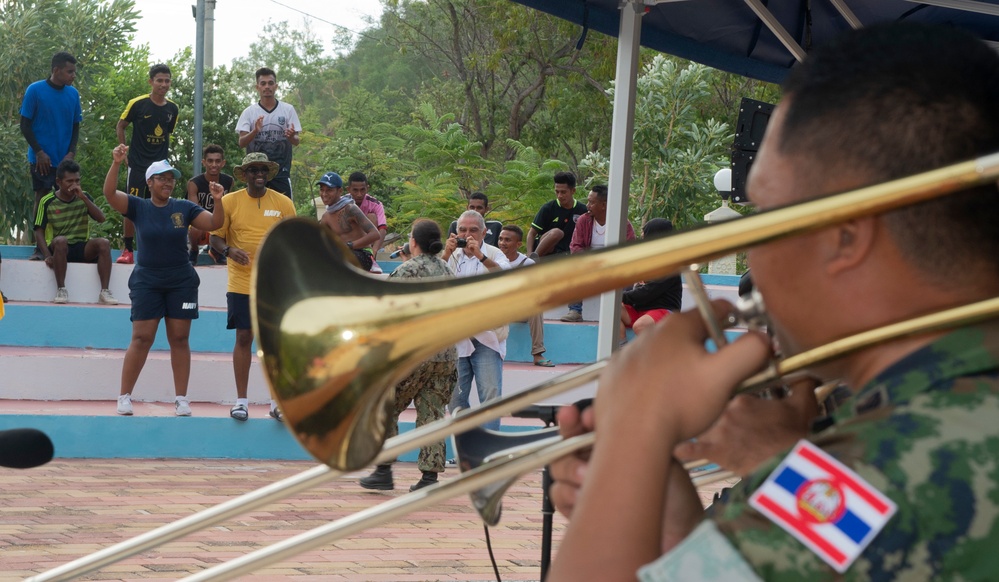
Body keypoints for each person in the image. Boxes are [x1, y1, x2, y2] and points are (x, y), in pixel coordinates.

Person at [547, 22, 999, 581]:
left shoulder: (880, 465)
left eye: (766, 215)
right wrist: (670, 528)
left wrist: (636, 429)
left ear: (843, 236)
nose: (752, 253)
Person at [103, 145, 224, 417]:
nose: (168, 182)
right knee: (142, 337)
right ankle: (124, 396)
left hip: (181, 281)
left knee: (179, 338)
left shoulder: (184, 207)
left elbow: (215, 223)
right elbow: (109, 194)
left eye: (171, 178)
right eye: (162, 178)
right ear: (150, 182)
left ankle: (181, 399)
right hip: (147, 280)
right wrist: (117, 163)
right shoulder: (138, 206)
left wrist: (218, 199)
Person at [359, 219, 458, 492]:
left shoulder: (408, 270)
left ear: (413, 242)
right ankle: (429, 478)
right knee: (433, 414)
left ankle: (383, 468)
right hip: (445, 355)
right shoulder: (447, 269)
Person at [209, 153, 297, 422]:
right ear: (244, 174)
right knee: (244, 338)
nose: (258, 174)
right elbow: (214, 239)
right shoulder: (229, 201)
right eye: (253, 170)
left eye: (263, 169)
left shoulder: (283, 203)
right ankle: (242, 402)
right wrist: (229, 250)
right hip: (241, 283)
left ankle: (276, 403)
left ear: (268, 173)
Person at [443, 210, 511, 430]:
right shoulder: (449, 256)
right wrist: (444, 255)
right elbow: (431, 281)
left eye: (473, 230)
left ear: (484, 232)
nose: (467, 234)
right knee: (455, 399)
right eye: (462, 230)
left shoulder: (494, 253)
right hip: (456, 337)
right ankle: (466, 450)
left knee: (490, 396)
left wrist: (480, 255)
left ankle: (488, 452)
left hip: (487, 337)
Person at [20, 51, 82, 261]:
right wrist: (39, 152)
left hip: (64, 159)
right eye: (70, 71)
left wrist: (71, 152)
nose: (73, 75)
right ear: (56, 70)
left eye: (74, 71)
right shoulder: (35, 90)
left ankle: (66, 248)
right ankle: (39, 249)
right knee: (43, 199)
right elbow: (25, 124)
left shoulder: (73, 94)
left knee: (68, 200)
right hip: (41, 159)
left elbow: (75, 126)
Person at [116, 64, 180, 265]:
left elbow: (167, 133)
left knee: (160, 204)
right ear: (151, 81)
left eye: (167, 80)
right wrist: (123, 148)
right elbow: (121, 125)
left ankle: (158, 248)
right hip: (137, 163)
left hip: (160, 166)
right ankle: (128, 249)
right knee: (131, 205)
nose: (163, 84)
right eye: (159, 80)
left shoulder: (173, 108)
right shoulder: (138, 104)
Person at [32, 159, 117, 305]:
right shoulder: (47, 201)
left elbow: (101, 218)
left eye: (77, 181)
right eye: (69, 181)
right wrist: (47, 255)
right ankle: (61, 289)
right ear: (58, 182)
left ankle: (105, 292)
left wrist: (83, 197)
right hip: (60, 249)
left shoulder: (84, 197)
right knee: (60, 240)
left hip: (81, 247)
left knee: (104, 243)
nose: (74, 185)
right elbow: (38, 230)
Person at [562, 184, 636, 322]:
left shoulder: (622, 223)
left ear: (604, 205)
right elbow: (575, 246)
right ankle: (575, 311)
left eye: (592, 202)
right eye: (588, 201)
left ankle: (623, 310)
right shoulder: (583, 220)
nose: (588, 205)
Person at [236, 67, 300, 198]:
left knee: (284, 213)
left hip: (281, 172)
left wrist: (291, 136)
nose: (267, 87)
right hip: (256, 173)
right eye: (263, 83)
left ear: (276, 86)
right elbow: (242, 142)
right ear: (257, 87)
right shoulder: (249, 112)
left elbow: (297, 141)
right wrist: (255, 131)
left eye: (270, 83)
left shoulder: (288, 110)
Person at [497, 224, 553, 367]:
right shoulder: (492, 259)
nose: (503, 243)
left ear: (518, 244)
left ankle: (538, 353)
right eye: (500, 239)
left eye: (507, 240)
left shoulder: (527, 263)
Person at [620, 218, 681, 338]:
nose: (642, 238)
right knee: (611, 309)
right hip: (641, 310)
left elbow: (649, 291)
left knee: (640, 326)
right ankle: (621, 350)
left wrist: (622, 297)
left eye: (644, 235)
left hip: (663, 310)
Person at [317, 171, 381, 271]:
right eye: (322, 190)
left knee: (341, 259)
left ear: (340, 191)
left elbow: (375, 234)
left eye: (329, 190)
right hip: (342, 254)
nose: (324, 194)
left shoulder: (350, 209)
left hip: (362, 254)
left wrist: (349, 246)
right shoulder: (326, 217)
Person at [187, 144, 235, 265]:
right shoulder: (194, 183)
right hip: (202, 223)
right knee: (195, 227)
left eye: (217, 161)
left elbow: (230, 207)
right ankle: (193, 250)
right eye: (210, 161)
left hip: (220, 223)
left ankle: (216, 250)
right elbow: (194, 211)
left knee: (233, 221)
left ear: (223, 163)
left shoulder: (228, 181)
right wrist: (210, 223)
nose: (214, 165)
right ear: (204, 162)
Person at [526, 171, 586, 259]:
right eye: (557, 192)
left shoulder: (583, 210)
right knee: (557, 233)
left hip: (566, 253)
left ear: (573, 191)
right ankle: (534, 259)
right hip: (545, 251)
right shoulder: (548, 208)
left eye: (563, 192)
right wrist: (529, 255)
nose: (559, 196)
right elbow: (531, 233)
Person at [346, 172, 388, 270]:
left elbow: (382, 228)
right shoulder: (342, 203)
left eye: (362, 190)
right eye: (355, 190)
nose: (359, 194)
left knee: (372, 216)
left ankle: (370, 257)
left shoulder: (376, 204)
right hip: (348, 242)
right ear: (348, 189)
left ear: (367, 188)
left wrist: (375, 250)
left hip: (368, 242)